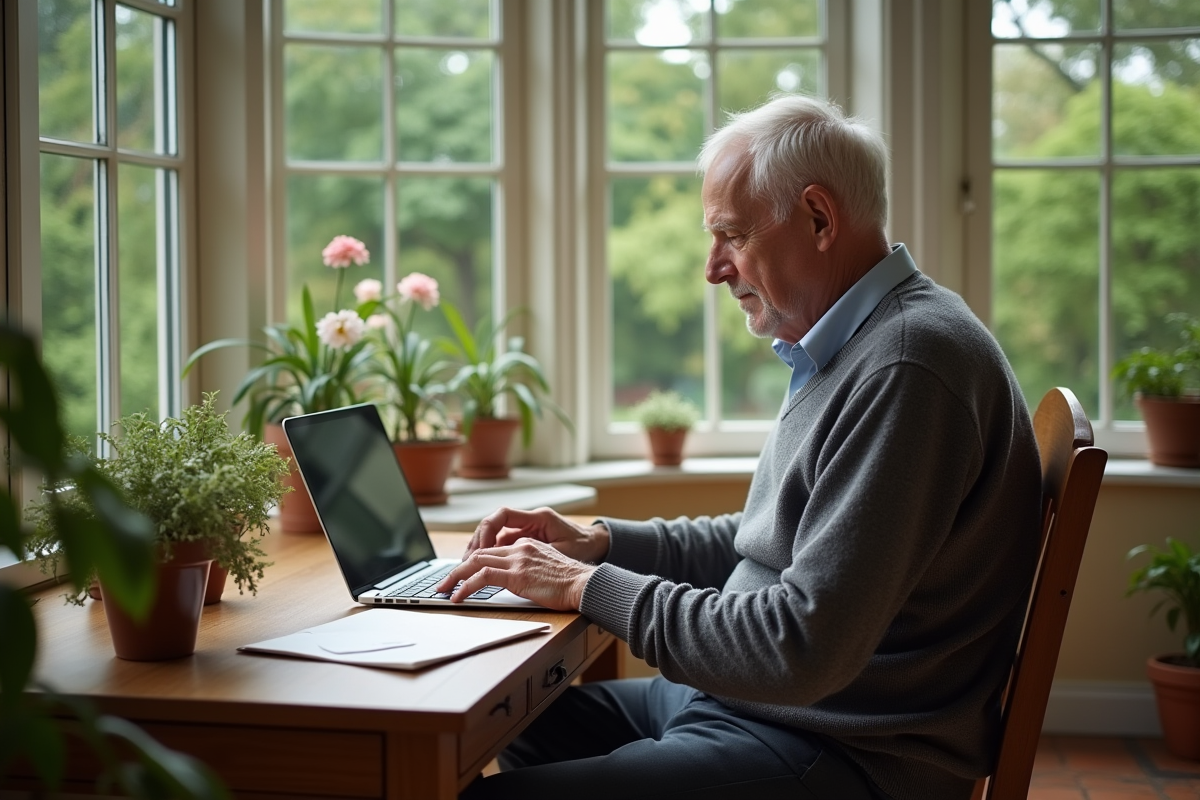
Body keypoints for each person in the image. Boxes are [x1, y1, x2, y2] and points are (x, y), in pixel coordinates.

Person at [439, 94, 1043, 800]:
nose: (713, 268)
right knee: (512, 725)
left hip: (844, 748)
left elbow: (801, 645)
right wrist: (599, 545)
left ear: (819, 218)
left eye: (731, 235)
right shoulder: (854, 344)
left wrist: (580, 586)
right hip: (769, 712)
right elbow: (770, 543)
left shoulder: (907, 365)